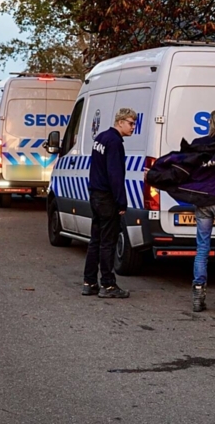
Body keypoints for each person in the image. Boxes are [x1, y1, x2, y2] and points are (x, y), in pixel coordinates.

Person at [146, 110, 215, 314]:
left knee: (202, 247)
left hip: (202, 203)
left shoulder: (198, 146)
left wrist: (155, 176)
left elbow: (182, 169)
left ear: (210, 124)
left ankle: (198, 297)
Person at [82, 108, 136, 299]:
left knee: (95, 240)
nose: (133, 127)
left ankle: (89, 282)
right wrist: (121, 202)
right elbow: (115, 174)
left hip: (96, 194)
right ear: (120, 122)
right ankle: (108, 284)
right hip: (107, 197)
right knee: (108, 242)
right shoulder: (114, 142)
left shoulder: (101, 138)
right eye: (130, 123)